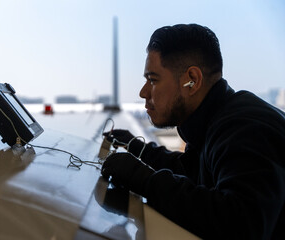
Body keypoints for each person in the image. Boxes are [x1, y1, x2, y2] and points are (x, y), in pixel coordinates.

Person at [101, 24, 285, 239]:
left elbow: (242, 223)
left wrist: (144, 180)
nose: (143, 92)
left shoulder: (247, 128)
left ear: (192, 81)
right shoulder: (215, 121)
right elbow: (193, 171)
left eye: (153, 80)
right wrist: (138, 148)